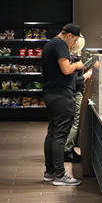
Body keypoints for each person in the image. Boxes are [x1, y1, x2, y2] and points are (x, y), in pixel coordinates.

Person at [41, 23, 85, 186]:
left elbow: (43, 72)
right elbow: (66, 70)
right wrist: (77, 65)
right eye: (74, 40)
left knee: (52, 132)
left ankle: (49, 172)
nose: (74, 44)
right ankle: (60, 175)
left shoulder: (48, 45)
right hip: (62, 95)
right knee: (60, 135)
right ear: (69, 36)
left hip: (49, 93)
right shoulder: (60, 44)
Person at [64, 36, 92, 163]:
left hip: (70, 94)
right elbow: (73, 81)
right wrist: (86, 75)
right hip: (75, 93)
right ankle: (67, 150)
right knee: (75, 122)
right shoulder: (73, 59)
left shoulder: (68, 58)